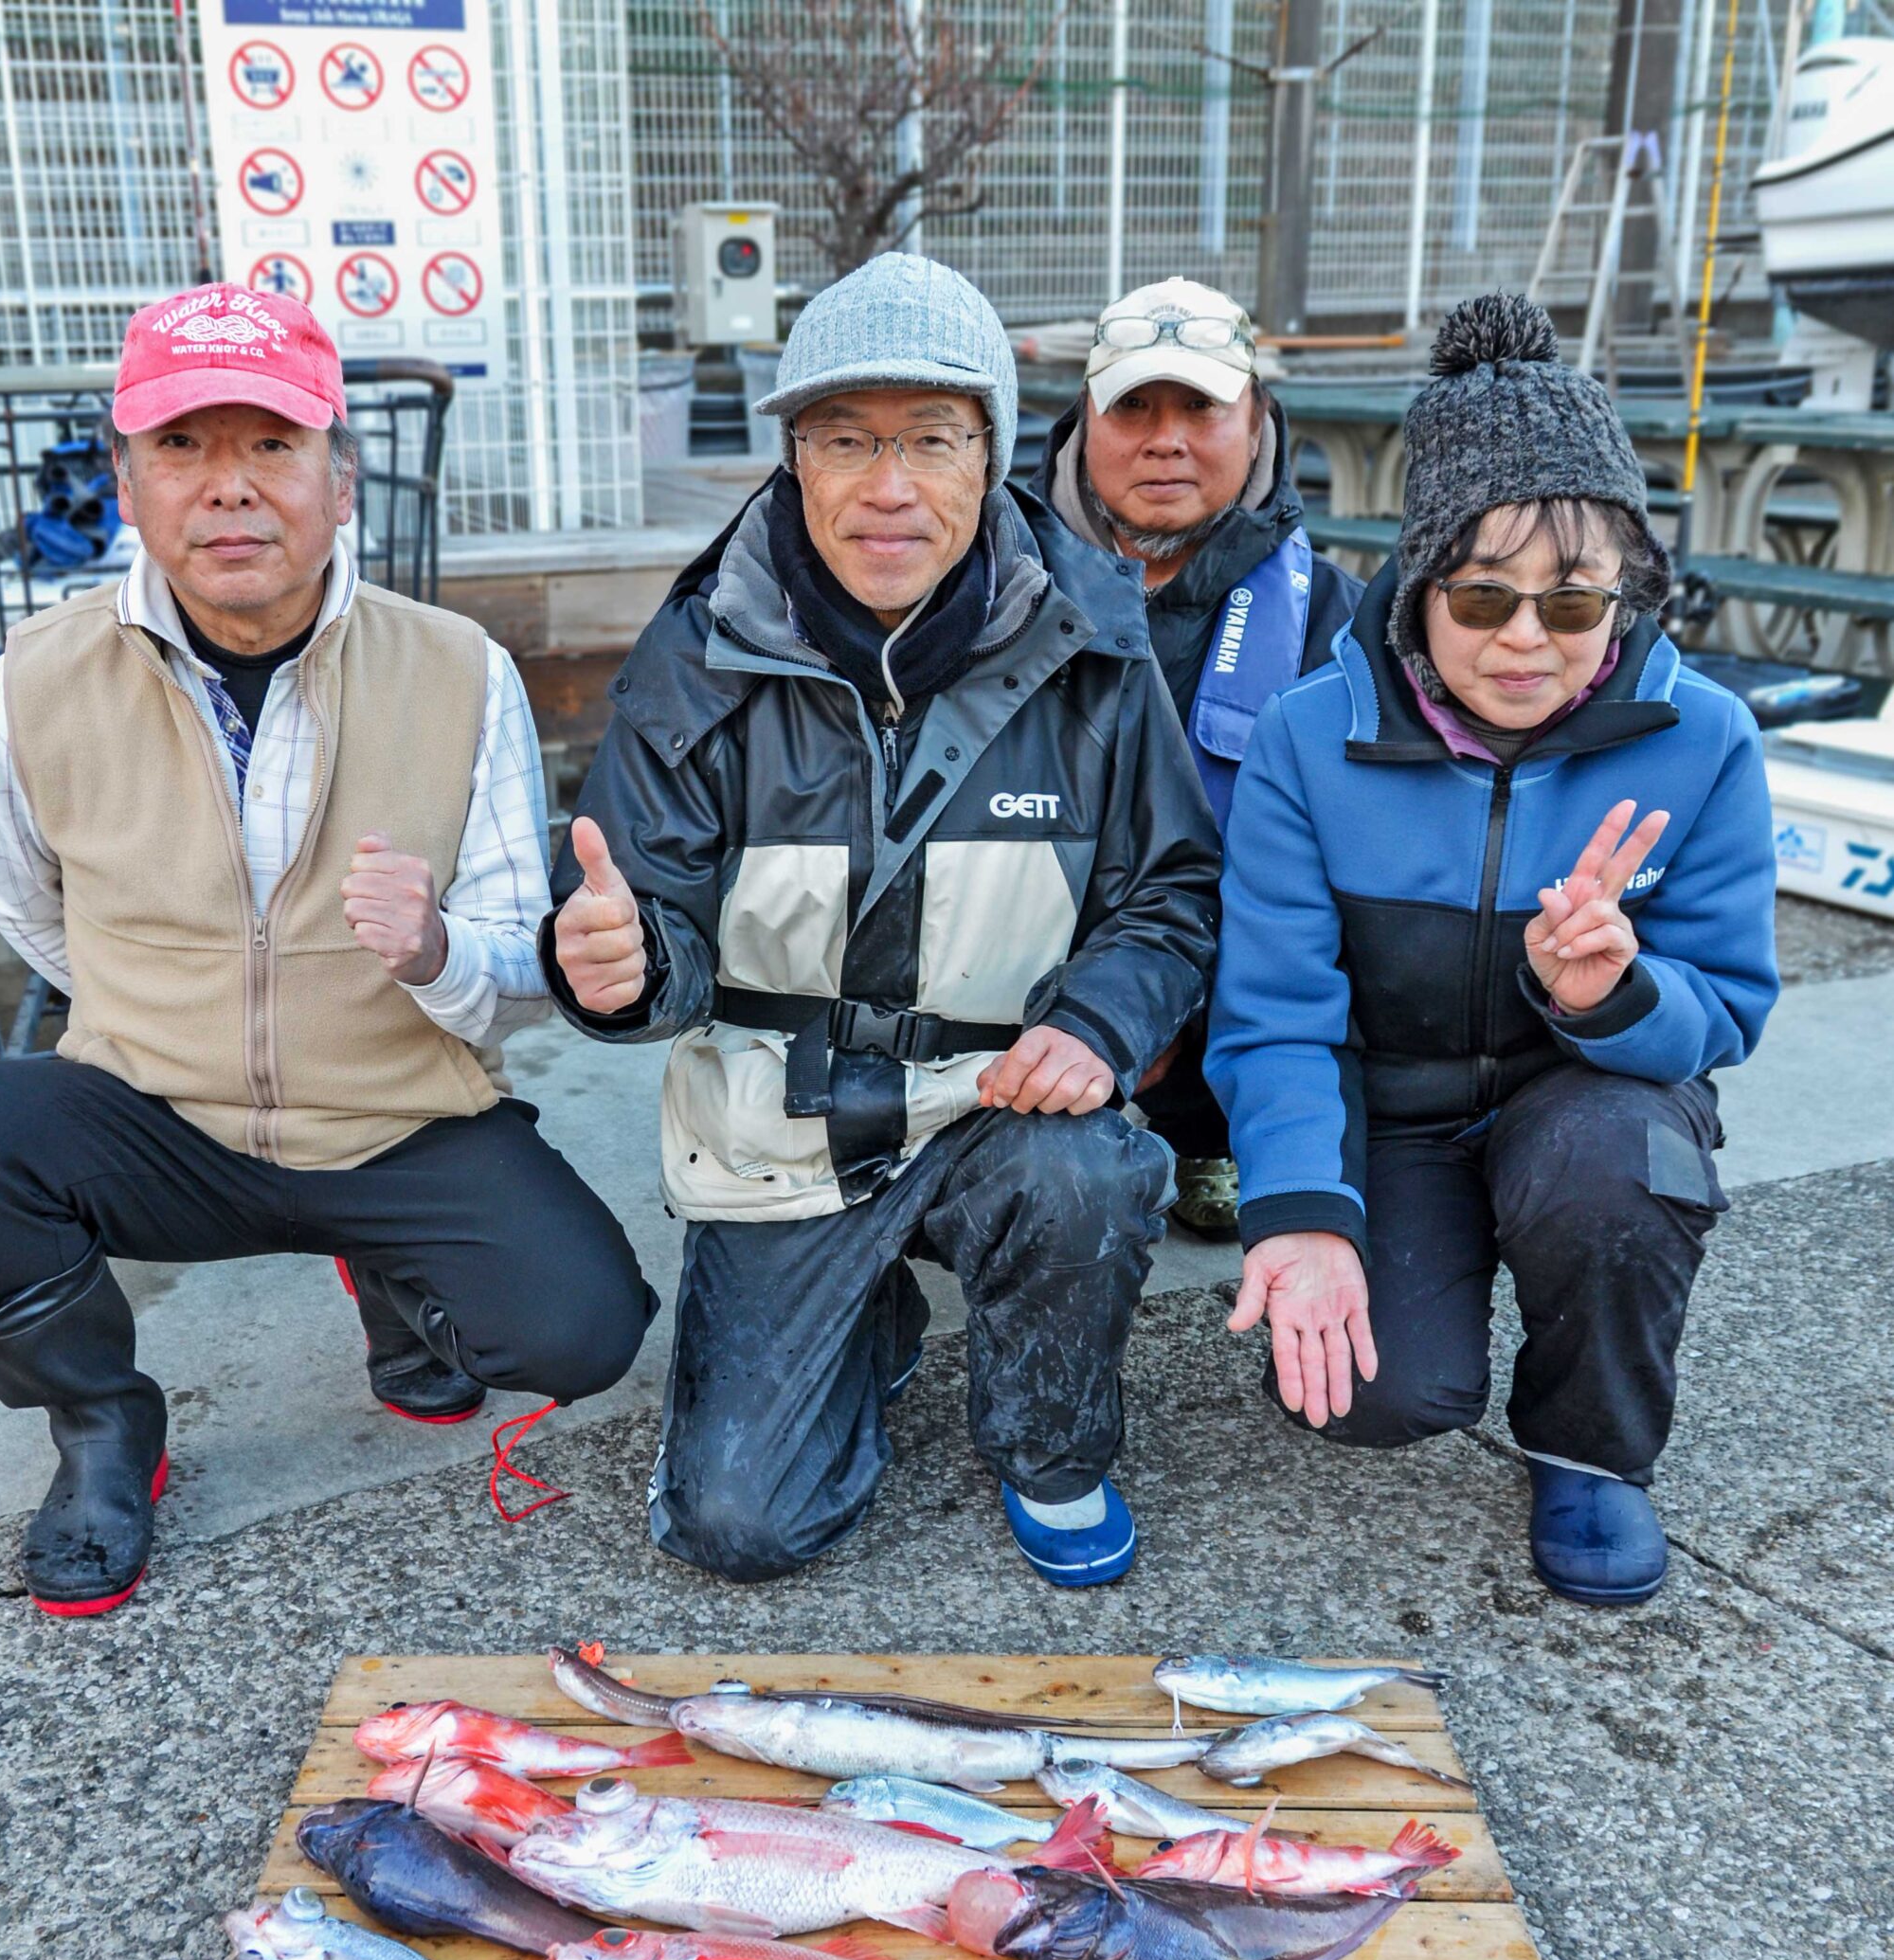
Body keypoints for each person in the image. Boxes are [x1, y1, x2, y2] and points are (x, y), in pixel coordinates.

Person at [0, 283, 654, 1617]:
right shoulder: (30, 683)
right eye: (182, 448)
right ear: (127, 483)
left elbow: (518, 954)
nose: (228, 489)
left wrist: (432, 953)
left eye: (270, 447)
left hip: (397, 1116)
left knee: (585, 1330)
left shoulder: (460, 668)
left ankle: (396, 1290)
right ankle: (104, 1430)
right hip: (154, 1120)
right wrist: (153, 1002)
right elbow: (21, 900)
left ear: (338, 481)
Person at [546, 254, 1220, 1588]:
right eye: (845, 438)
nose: (889, 485)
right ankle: (866, 1313)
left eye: (930, 437)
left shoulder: (1093, 639)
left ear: (992, 453)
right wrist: (620, 970)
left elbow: (1173, 888)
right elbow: (648, 923)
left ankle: (1052, 1447)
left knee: (1088, 1175)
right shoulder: (698, 650)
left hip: (998, 1102)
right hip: (784, 1119)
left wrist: (1097, 1019)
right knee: (738, 1528)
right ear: (794, 457)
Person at [1206, 292, 1778, 1606]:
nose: (1525, 640)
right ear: (1418, 586)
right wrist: (1298, 1212)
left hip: (1574, 1094)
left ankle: (1587, 1451)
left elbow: (1730, 1002)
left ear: (1623, 595)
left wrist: (1616, 994)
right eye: (1481, 597)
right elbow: (1278, 1011)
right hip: (1393, 1110)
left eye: (1572, 605)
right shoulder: (1305, 735)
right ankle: (1407, 1262)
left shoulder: (1705, 740)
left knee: (1615, 1176)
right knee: (1372, 1400)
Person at [1038, 278, 1361, 1238]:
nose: (1164, 437)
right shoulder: (991, 581)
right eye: (1132, 404)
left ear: (1258, 418)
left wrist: (1170, 1001)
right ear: (1084, 421)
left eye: (1200, 406)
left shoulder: (1341, 621)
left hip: (1223, 967)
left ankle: (1214, 1131)